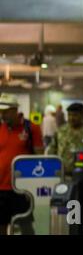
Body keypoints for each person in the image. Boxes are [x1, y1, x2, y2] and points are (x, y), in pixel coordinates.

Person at [0, 93, 43, 235]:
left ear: (15, 110)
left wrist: (33, 187)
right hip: (1, 187)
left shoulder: (31, 128)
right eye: (1, 112)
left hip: (21, 188)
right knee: (1, 226)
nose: (3, 115)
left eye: (5, 112)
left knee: (25, 226)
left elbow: (39, 156)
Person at [46, 103, 83, 177]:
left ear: (82, 115)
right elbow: (52, 149)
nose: (71, 118)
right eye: (69, 115)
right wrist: (52, 166)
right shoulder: (61, 131)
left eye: (75, 115)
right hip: (64, 173)